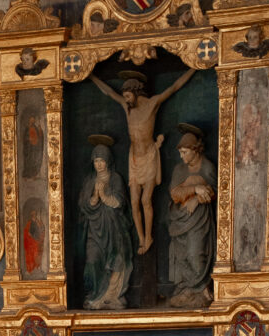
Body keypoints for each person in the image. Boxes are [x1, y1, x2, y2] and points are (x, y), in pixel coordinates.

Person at [90, 64, 194, 254]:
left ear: (136, 92)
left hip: (149, 156)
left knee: (146, 200)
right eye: (125, 96)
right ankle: (140, 238)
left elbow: (175, 87)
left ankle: (149, 236)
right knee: (134, 200)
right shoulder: (127, 107)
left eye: (128, 95)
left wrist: (194, 68)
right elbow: (108, 92)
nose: (126, 99)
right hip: (134, 158)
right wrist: (91, 76)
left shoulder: (153, 103)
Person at [79, 134, 135, 310]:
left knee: (116, 261)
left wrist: (104, 195)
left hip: (113, 229)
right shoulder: (90, 181)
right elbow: (84, 204)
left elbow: (120, 202)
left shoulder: (116, 178)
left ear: (108, 161)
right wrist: (95, 196)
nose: (99, 164)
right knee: (92, 261)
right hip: (94, 230)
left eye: (102, 160)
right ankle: (95, 295)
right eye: (96, 161)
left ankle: (112, 295)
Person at [166, 125, 215, 308]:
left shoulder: (207, 167)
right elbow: (174, 193)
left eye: (185, 152)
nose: (182, 157)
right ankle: (189, 289)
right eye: (180, 153)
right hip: (180, 217)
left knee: (196, 254)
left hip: (199, 219)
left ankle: (202, 289)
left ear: (195, 150)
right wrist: (194, 190)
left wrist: (199, 198)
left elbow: (218, 192)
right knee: (182, 256)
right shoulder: (179, 170)